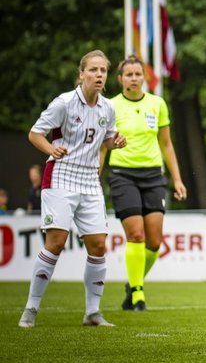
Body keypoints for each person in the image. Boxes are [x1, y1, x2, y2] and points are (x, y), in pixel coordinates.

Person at [18, 50, 126, 328]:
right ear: (81, 74)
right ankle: (31, 308)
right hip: (61, 176)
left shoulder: (107, 107)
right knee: (55, 243)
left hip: (90, 180)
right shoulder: (64, 103)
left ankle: (92, 313)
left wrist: (116, 141)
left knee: (98, 245)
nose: (99, 75)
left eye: (103, 70)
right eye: (93, 70)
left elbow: (108, 139)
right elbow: (34, 134)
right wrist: (51, 148)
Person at [99, 55, 187, 312]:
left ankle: (132, 282)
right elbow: (103, 147)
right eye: (129, 75)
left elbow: (166, 144)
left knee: (154, 242)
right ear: (120, 79)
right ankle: (138, 293)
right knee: (135, 235)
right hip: (122, 175)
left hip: (152, 176)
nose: (134, 78)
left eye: (138, 74)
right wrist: (97, 173)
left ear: (144, 77)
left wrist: (178, 179)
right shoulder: (110, 106)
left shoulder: (157, 104)